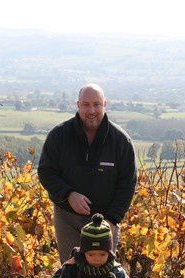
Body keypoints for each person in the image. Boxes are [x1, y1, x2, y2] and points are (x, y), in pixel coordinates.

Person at [38, 83, 137, 263]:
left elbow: (127, 184)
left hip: (105, 221)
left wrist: (112, 220)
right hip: (67, 219)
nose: (91, 110)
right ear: (78, 105)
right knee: (71, 274)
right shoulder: (59, 135)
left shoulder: (121, 141)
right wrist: (68, 194)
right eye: (86, 104)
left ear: (105, 104)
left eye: (96, 104)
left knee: (102, 277)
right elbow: (46, 172)